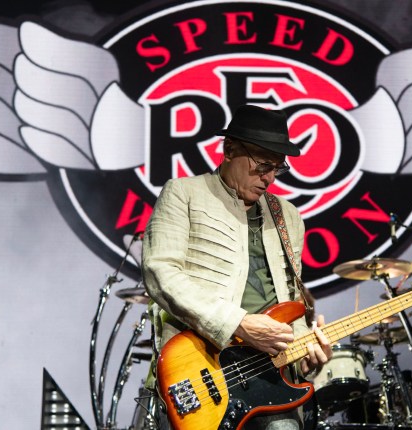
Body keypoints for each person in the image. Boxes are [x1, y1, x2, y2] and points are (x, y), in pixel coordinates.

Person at [142, 105, 332, 430]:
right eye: (263, 166)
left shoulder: (288, 217)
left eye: (278, 169)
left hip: (269, 380)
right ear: (229, 149)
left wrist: (307, 352)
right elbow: (162, 274)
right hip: (203, 370)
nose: (270, 178)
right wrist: (239, 323)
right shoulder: (184, 193)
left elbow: (289, 302)